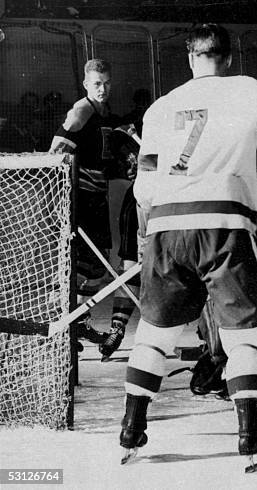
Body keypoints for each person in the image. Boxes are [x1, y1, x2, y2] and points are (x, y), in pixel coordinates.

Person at [119, 24, 257, 469]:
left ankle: (131, 431)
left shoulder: (160, 107)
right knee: (245, 337)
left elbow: (144, 188)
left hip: (166, 229)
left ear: (190, 59)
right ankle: (251, 435)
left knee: (155, 336)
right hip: (225, 226)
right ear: (228, 58)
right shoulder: (247, 90)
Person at [49, 58, 121, 345]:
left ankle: (77, 321)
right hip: (79, 200)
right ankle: (62, 324)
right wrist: (67, 189)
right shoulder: (82, 110)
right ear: (85, 85)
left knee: (96, 267)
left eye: (105, 84)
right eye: (96, 84)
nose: (101, 89)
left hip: (97, 199)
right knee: (75, 263)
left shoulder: (105, 113)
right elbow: (55, 153)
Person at [99, 90, 153, 361]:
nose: (127, 164)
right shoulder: (132, 201)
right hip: (140, 207)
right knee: (131, 266)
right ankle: (117, 328)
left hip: (169, 204)